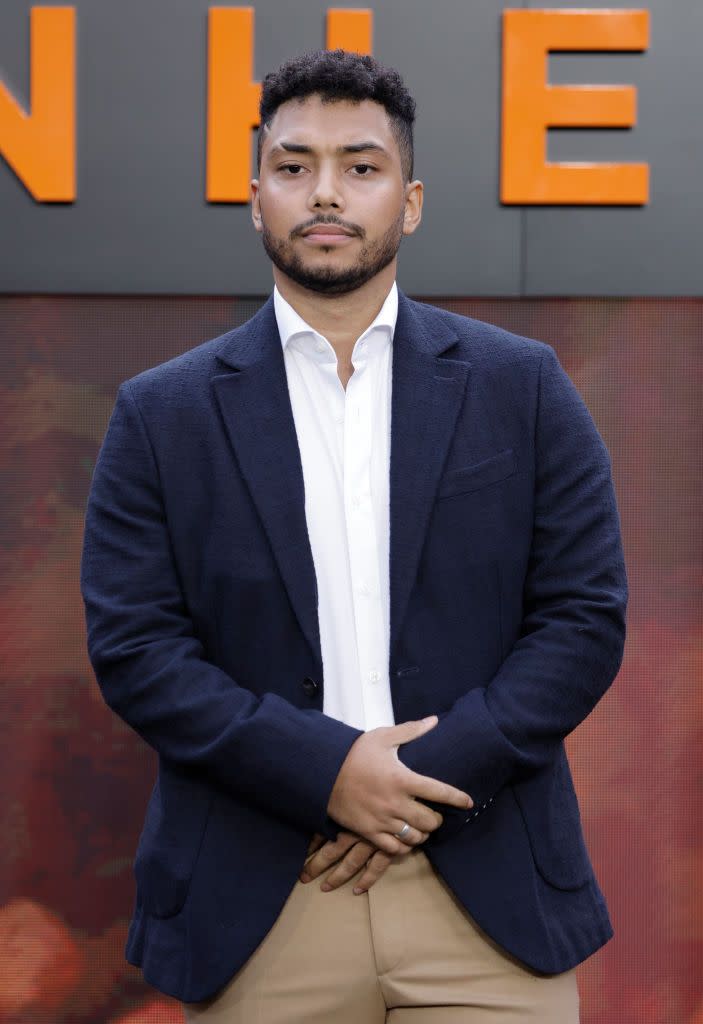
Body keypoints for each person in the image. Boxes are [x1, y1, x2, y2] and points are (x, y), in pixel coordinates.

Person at [80, 48, 627, 1023]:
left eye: (360, 166)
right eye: (294, 167)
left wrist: (416, 780)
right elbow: (139, 651)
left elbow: (582, 618)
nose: (324, 192)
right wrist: (327, 774)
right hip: (264, 894)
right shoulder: (159, 414)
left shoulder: (522, 384)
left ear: (408, 201)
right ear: (256, 198)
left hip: (486, 888)